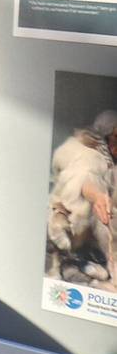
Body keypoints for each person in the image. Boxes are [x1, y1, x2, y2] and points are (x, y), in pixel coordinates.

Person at [47, 110, 117, 283]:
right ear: (105, 136)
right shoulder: (85, 151)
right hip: (75, 227)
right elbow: (84, 175)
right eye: (115, 138)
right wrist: (96, 196)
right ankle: (70, 263)